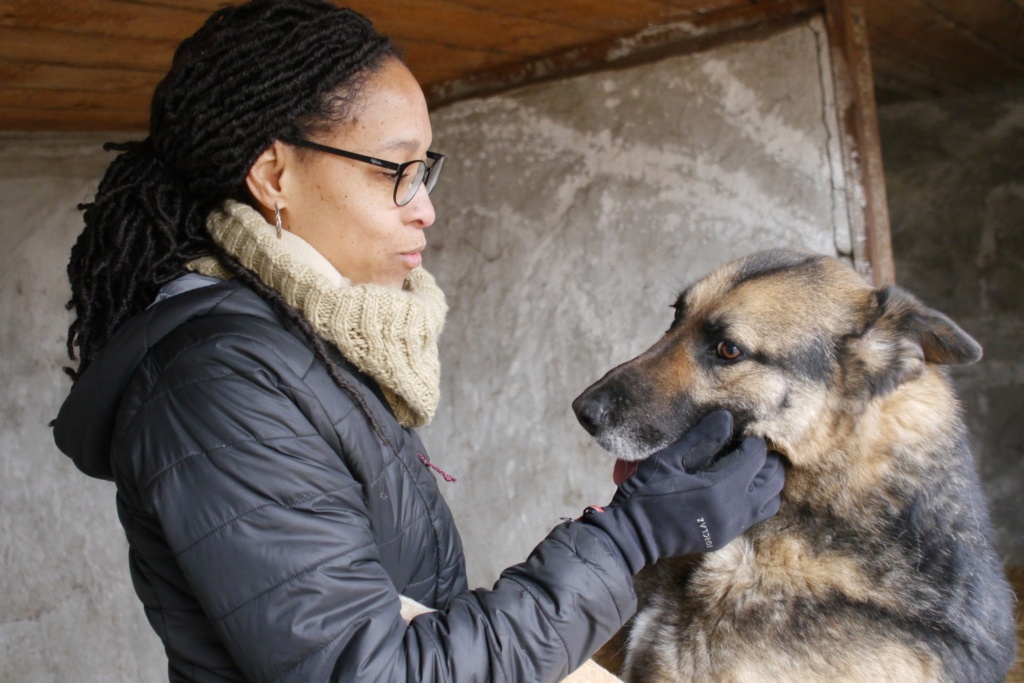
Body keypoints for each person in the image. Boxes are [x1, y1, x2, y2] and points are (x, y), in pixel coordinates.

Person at [52, 2, 785, 681]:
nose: (426, 208)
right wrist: (625, 540)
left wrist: (636, 531)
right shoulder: (218, 387)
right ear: (275, 175)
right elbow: (379, 670)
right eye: (396, 171)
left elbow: (405, 618)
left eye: (425, 169)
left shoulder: (316, 345)